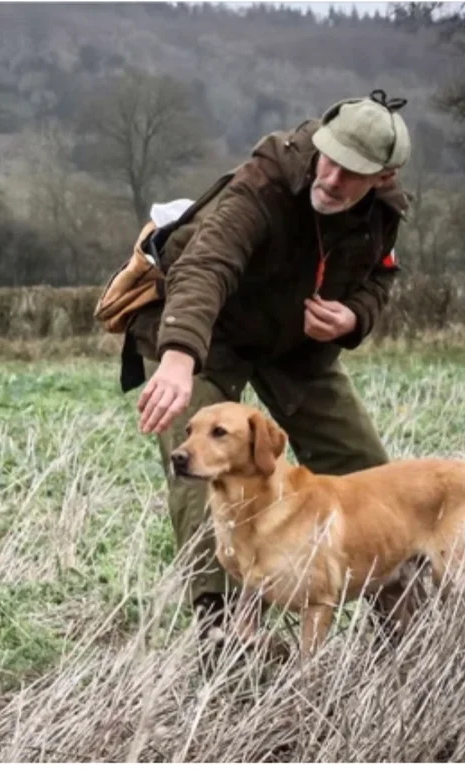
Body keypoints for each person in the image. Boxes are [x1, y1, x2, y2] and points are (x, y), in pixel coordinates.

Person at [121, 90, 416, 655]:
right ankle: (224, 632)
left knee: (370, 472)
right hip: (205, 333)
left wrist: (354, 316)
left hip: (294, 345)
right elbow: (207, 262)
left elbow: (382, 274)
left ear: (383, 177)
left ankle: (403, 625)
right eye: (329, 160)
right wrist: (178, 356)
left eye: (352, 173)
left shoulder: (385, 212)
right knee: (200, 468)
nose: (332, 179)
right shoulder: (269, 176)